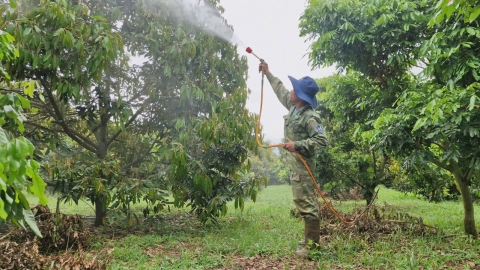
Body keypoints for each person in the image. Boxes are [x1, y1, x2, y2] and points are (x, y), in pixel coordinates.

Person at [259, 62, 328, 257]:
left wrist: (297, 144)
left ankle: (312, 248)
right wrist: (268, 73)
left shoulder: (310, 117)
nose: (290, 91)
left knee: (306, 204)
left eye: (295, 89)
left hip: (303, 168)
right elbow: (280, 90)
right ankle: (309, 242)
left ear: (302, 96)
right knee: (301, 201)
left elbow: (322, 140)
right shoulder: (292, 107)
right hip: (295, 167)